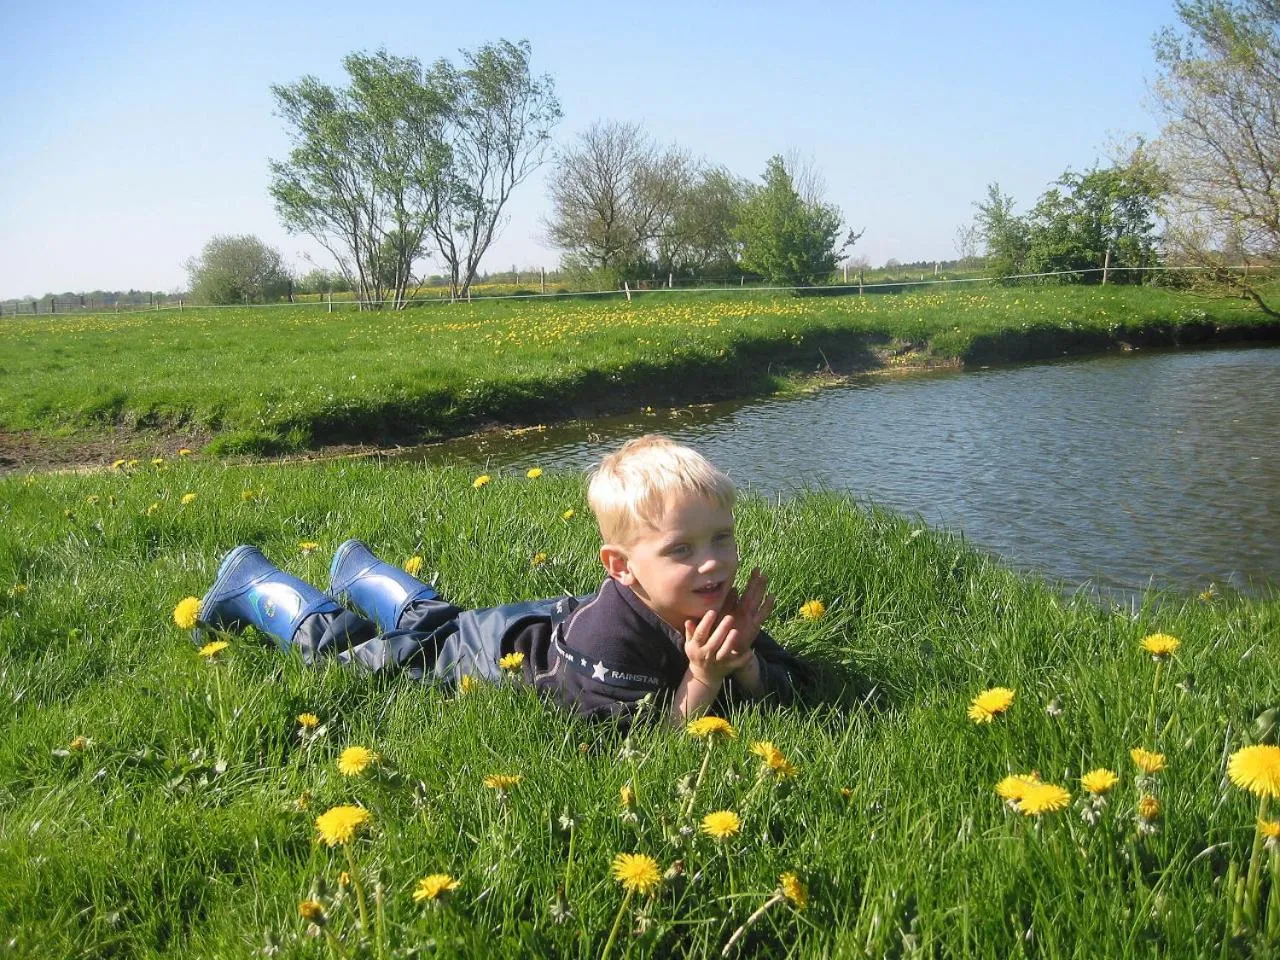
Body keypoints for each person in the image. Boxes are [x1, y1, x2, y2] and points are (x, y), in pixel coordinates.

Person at [189, 435, 808, 724]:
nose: (712, 563)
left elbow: (793, 685)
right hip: (486, 657)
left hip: (526, 625)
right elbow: (642, 743)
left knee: (438, 619)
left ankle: (363, 570)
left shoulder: (713, 600)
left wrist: (746, 664)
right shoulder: (612, 640)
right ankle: (254, 581)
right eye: (681, 549)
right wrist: (702, 679)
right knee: (362, 656)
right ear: (621, 568)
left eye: (721, 538)